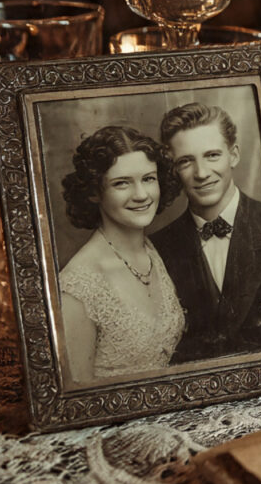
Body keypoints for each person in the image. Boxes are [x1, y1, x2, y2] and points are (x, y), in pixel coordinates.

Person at [152, 102, 261, 363]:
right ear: (173, 169)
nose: (202, 173)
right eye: (185, 161)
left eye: (212, 155)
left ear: (234, 155)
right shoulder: (156, 248)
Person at [59, 125, 185, 383]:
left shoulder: (151, 250)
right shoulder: (77, 287)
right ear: (94, 193)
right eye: (121, 183)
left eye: (148, 178)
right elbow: (76, 397)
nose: (141, 195)